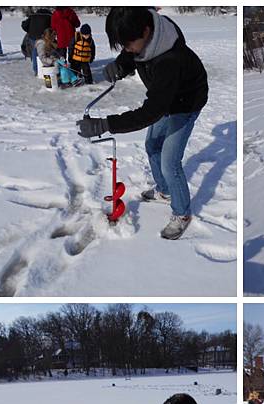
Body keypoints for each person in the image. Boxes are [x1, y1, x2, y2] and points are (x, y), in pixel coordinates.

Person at [77, 8, 208, 241]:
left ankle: (182, 213)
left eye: (128, 44)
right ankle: (165, 190)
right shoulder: (148, 31)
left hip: (185, 103)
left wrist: (105, 124)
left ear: (146, 32)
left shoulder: (169, 60)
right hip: (166, 98)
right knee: (152, 146)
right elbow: (134, 54)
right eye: (122, 45)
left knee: (170, 162)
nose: (126, 49)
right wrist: (121, 65)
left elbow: (150, 112)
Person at [21, 8, 52, 75]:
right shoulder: (49, 16)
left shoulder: (33, 16)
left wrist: (29, 30)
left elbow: (24, 25)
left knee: (34, 53)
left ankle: (36, 70)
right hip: (43, 37)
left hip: (33, 36)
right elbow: (52, 27)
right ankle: (45, 69)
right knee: (43, 53)